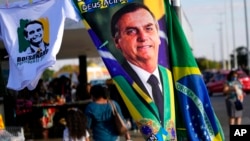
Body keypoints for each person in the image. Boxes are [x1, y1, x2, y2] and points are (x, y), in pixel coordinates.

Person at [111, 2, 176, 139]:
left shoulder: (172, 77)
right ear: (117, 42)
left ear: (158, 34)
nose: (143, 36)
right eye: (131, 31)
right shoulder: (119, 85)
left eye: (149, 28)